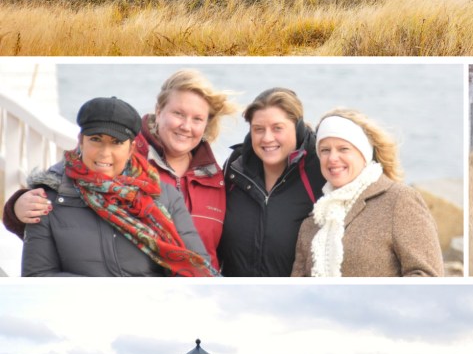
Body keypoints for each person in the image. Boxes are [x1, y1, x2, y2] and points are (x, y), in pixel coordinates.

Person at [5, 69, 236, 271]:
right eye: (178, 113)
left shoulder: (218, 178)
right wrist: (16, 206)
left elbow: (233, 247)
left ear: (207, 123)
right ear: (159, 110)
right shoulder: (122, 154)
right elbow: (64, 178)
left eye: (197, 119)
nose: (186, 126)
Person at [291, 108, 444, 277]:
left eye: (343, 149)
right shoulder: (313, 222)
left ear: (364, 153)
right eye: (325, 150)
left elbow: (428, 275)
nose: (332, 158)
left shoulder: (399, 200)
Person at [217, 88, 326, 276]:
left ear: (297, 126)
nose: (267, 138)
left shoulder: (321, 170)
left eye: (278, 128)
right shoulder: (235, 168)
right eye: (258, 129)